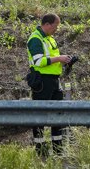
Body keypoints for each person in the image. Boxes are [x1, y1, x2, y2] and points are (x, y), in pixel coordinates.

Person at [26, 13, 72, 156]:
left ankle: (58, 150)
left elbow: (51, 60)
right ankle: (41, 151)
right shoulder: (35, 39)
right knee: (40, 116)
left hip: (53, 80)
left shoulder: (50, 39)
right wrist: (59, 58)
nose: (56, 29)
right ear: (47, 24)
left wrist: (65, 61)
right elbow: (39, 61)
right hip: (42, 82)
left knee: (57, 114)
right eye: (55, 26)